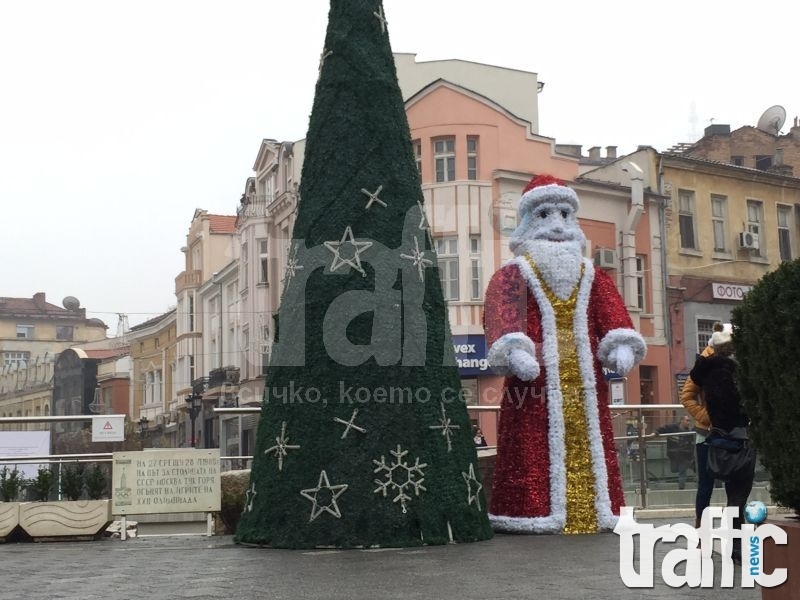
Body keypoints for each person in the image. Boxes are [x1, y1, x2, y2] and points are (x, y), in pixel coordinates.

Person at [484, 174, 646, 534]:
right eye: (544, 215)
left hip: (586, 390)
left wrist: (621, 345)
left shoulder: (594, 275)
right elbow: (502, 314)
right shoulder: (511, 275)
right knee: (530, 449)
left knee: (593, 446)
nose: (556, 225)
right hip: (534, 390)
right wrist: (513, 348)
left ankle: (599, 512)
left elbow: (613, 317)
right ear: (527, 222)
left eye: (564, 214)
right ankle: (531, 514)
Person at [688, 324, 754, 562]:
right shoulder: (735, 367)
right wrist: (708, 418)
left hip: (720, 435)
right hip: (717, 435)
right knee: (719, 488)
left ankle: (731, 543)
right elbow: (687, 395)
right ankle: (709, 538)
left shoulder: (705, 367)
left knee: (726, 490)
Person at [680, 322, 723, 527]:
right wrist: (707, 415)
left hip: (732, 430)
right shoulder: (704, 362)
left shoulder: (732, 361)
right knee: (706, 485)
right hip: (706, 433)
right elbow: (687, 396)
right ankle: (701, 531)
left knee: (736, 484)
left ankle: (736, 535)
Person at [654, 415, 695, 489]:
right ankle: (690, 465)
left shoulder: (688, 432)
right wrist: (656, 432)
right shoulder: (672, 428)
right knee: (674, 469)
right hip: (673, 454)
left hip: (684, 455)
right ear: (682, 420)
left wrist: (690, 454)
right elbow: (663, 429)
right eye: (687, 420)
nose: (688, 422)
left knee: (682, 471)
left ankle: (681, 488)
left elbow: (691, 444)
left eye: (689, 421)